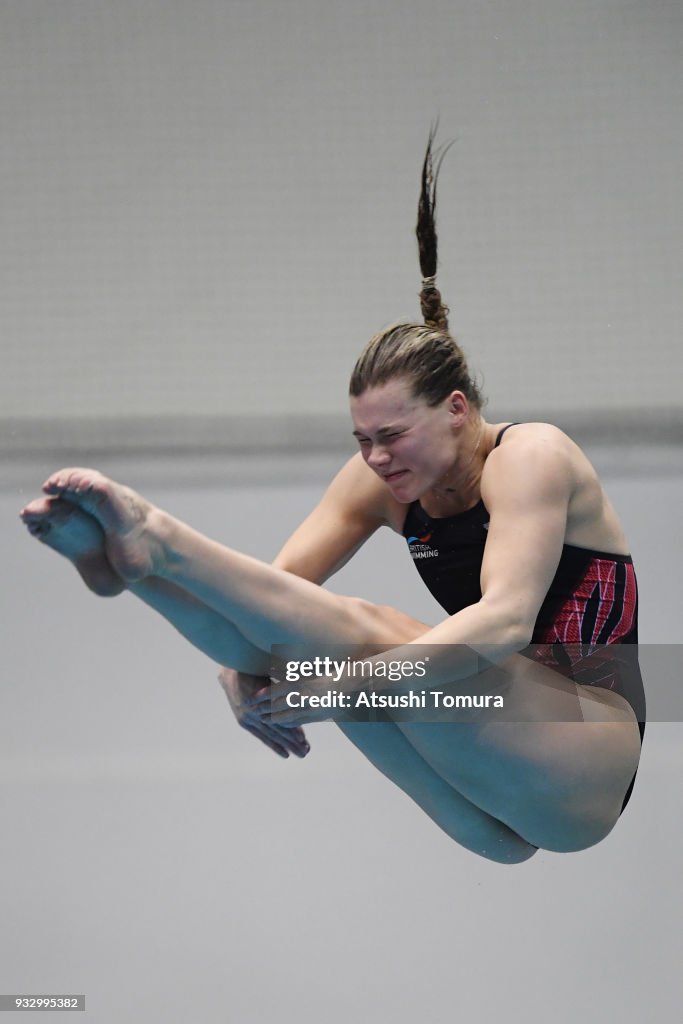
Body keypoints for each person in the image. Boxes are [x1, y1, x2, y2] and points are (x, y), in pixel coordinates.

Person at [20, 132, 644, 865]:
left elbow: (504, 621)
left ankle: (157, 537)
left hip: (585, 749)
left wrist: (341, 684)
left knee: (367, 638)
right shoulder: (382, 482)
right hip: (496, 805)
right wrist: (240, 674)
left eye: (391, 434)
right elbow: (272, 600)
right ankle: (134, 571)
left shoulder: (531, 457)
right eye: (360, 440)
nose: (376, 458)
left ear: (454, 409)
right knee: (302, 645)